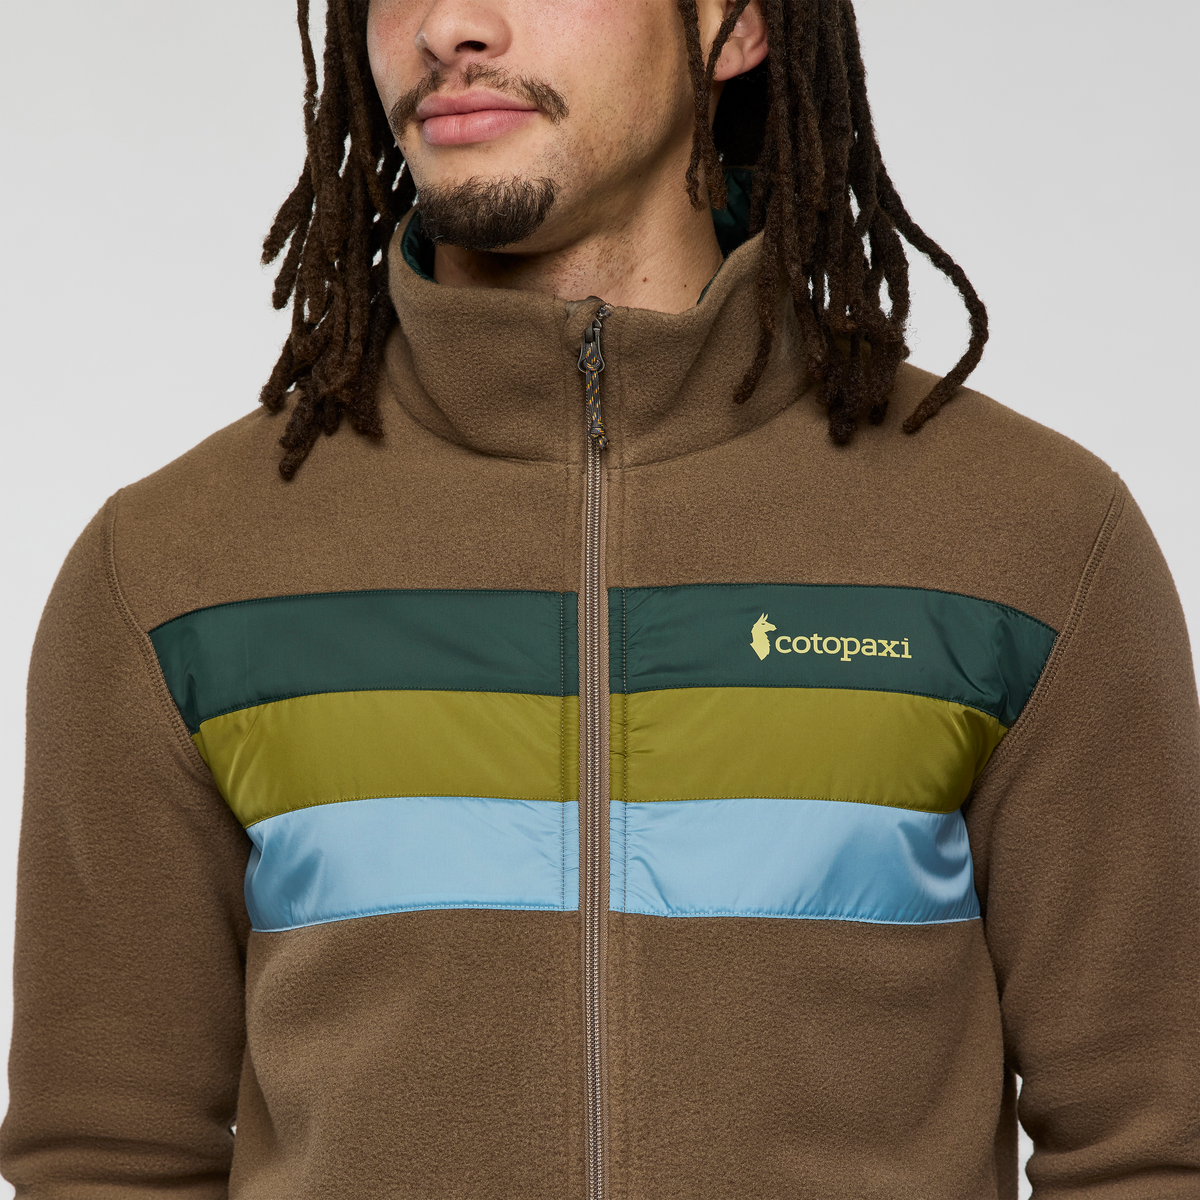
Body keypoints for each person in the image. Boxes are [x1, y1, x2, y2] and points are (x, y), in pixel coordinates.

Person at [2, 0, 1197, 1196]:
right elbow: (109, 1158)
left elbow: (1152, 1144)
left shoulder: (1026, 545)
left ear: (737, 26)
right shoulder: (177, 574)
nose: (449, 25)